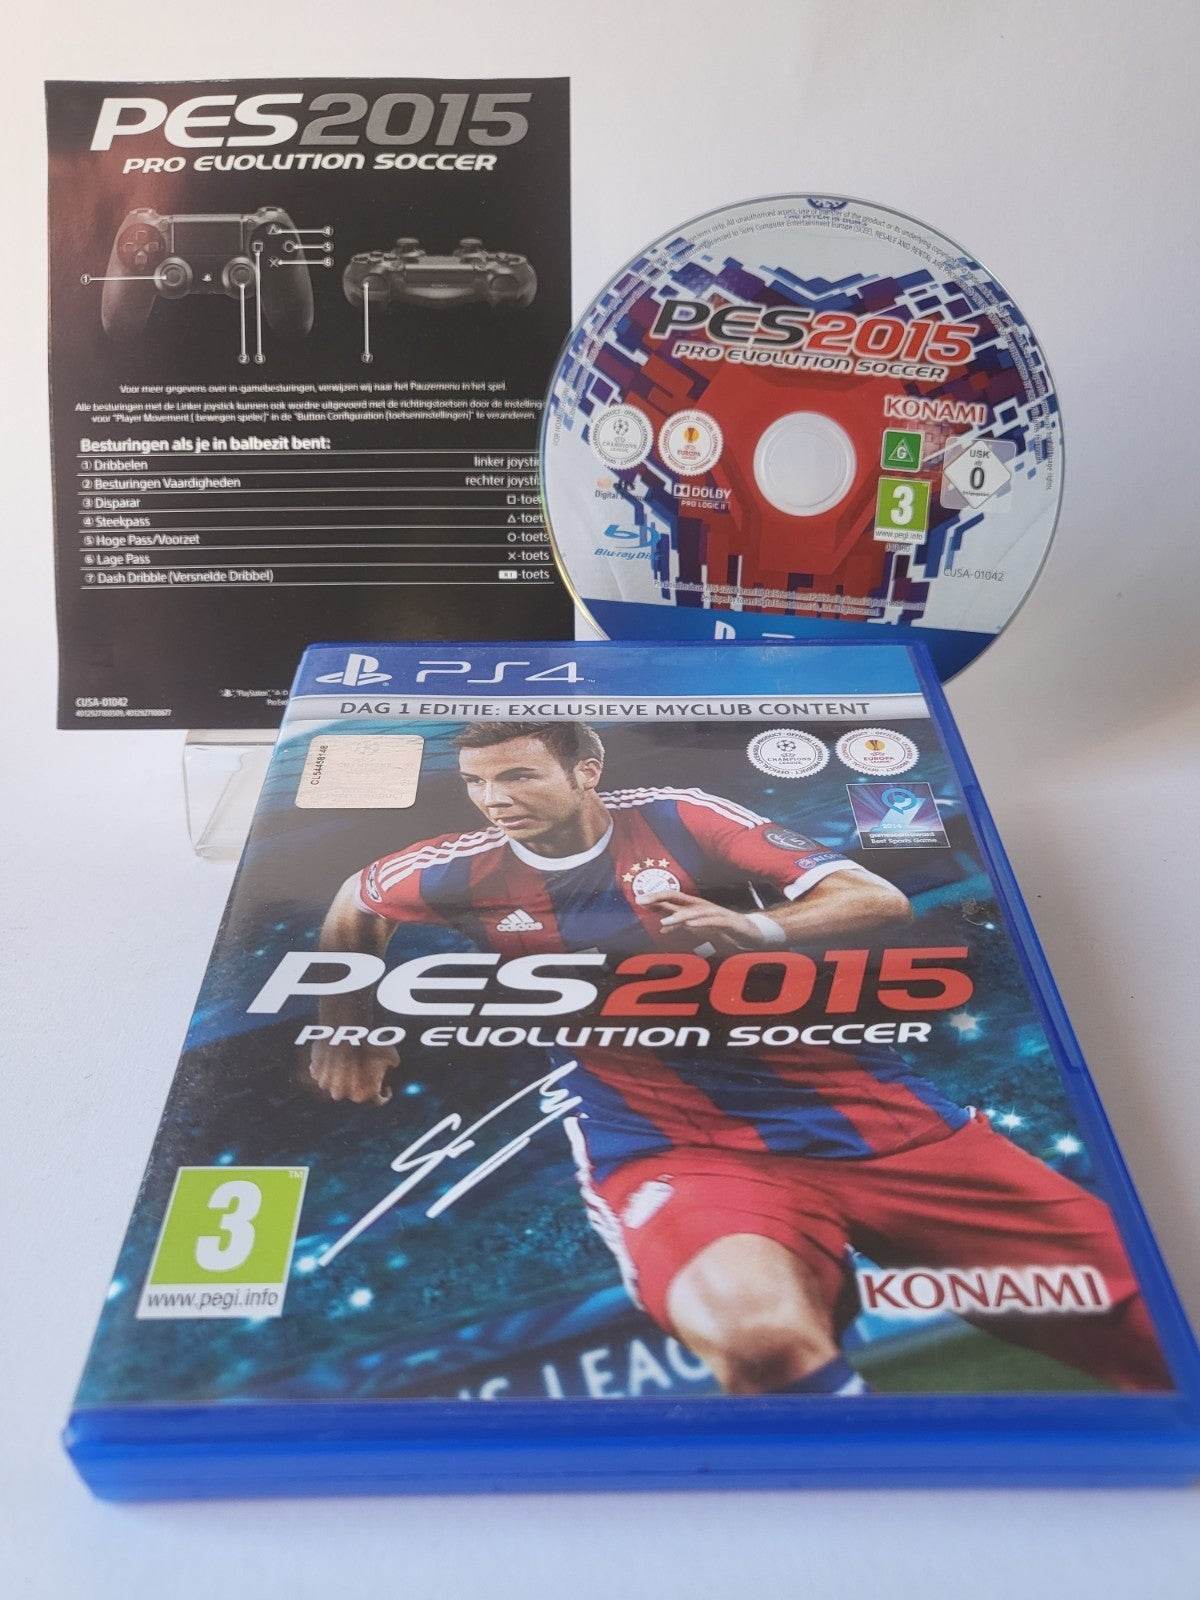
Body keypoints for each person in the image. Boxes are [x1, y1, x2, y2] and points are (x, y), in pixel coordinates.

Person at [309, 720, 1172, 1396]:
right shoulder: (459, 870)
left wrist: (758, 927)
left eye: (519, 776)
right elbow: (354, 900)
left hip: (882, 1124)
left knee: (1153, 1333)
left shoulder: (681, 816)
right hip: (676, 1149)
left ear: (586, 771)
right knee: (760, 1345)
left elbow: (874, 897)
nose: (494, 799)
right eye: (477, 782)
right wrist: (346, 1022)